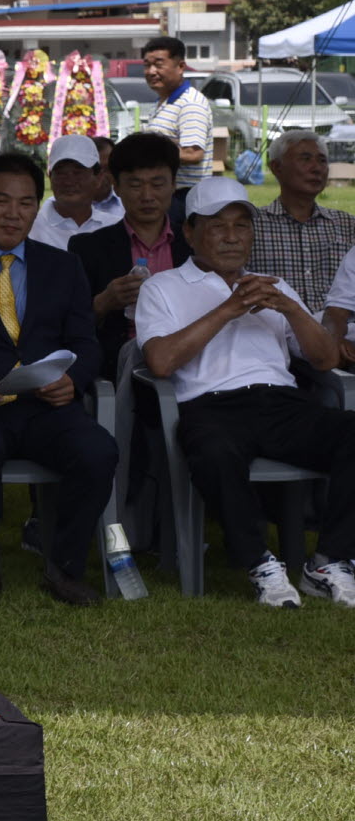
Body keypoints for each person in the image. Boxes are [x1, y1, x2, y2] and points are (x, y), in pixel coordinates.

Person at [136, 177, 355, 609]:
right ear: (190, 233)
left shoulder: (272, 285)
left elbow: (326, 359)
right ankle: (260, 563)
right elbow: (160, 361)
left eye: (241, 226)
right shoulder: (161, 287)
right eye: (218, 227)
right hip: (211, 406)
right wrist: (229, 308)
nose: (233, 237)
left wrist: (291, 308)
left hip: (281, 403)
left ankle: (329, 561)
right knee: (214, 453)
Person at [0, 152, 115, 608]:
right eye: (1, 201)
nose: (14, 214)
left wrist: (72, 379)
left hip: (47, 407)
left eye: (27, 203)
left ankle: (66, 566)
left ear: (38, 207)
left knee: (98, 451)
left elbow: (85, 341)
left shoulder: (62, 265)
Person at [71, 131, 190, 383]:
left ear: (173, 184)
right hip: (118, 371)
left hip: (190, 361)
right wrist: (104, 301)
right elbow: (69, 326)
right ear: (116, 186)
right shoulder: (89, 247)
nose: (147, 196)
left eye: (157, 184)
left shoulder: (193, 244)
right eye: (135, 185)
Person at [249, 129, 355, 315]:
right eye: (305, 159)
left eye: (322, 160)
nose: (316, 168)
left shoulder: (347, 225)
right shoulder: (253, 226)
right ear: (276, 167)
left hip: (342, 335)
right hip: (277, 334)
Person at [139, 36, 212, 191]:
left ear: (180, 66)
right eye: (147, 65)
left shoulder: (190, 103)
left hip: (184, 196)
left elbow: (192, 154)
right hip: (165, 195)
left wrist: (147, 152)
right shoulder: (163, 101)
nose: (151, 71)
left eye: (158, 65)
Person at [29, 132, 121, 252]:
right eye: (61, 173)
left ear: (98, 178)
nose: (69, 182)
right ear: (50, 178)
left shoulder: (116, 228)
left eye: (78, 173)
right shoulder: (30, 229)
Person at [89, 135, 122, 217]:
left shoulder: (129, 205)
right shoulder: (58, 208)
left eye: (107, 168)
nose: (102, 176)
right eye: (96, 169)